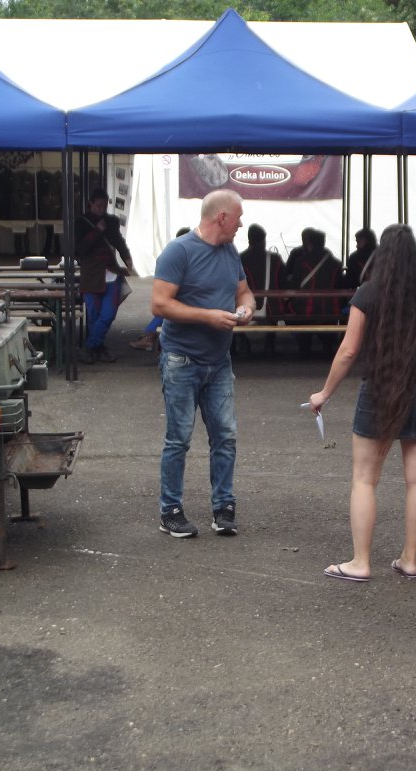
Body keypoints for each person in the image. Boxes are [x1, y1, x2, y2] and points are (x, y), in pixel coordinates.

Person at [309, 224, 416, 582]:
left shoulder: (367, 294)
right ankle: (409, 560)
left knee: (365, 479)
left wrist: (325, 393)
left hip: (380, 389)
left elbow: (349, 351)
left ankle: (361, 562)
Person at [151, 190, 255, 538]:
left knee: (225, 436)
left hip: (219, 361)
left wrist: (246, 308)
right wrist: (208, 316)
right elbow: (159, 304)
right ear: (222, 217)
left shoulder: (230, 252)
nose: (241, 224)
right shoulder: (178, 252)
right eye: (238, 217)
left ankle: (223, 507)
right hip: (181, 360)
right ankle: (170, 511)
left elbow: (244, 292)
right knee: (178, 439)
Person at [76, 187, 135, 364]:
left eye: (104, 206)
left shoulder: (111, 221)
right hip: (90, 275)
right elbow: (80, 249)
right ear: (91, 204)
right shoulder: (80, 223)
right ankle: (99, 349)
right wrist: (97, 231)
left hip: (111, 273)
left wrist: (126, 257)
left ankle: (89, 347)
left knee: (108, 315)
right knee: (94, 316)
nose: (102, 209)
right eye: (99, 205)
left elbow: (118, 241)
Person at [131, 227, 191, 352]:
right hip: (185, 295)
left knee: (165, 310)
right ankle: (150, 335)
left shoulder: (180, 254)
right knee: (165, 309)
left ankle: (150, 336)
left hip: (189, 297)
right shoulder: (186, 254)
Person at [238, 223, 285, 354]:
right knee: (275, 304)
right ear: (264, 240)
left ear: (249, 240)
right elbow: (284, 283)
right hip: (272, 307)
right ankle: (270, 341)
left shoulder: (240, 259)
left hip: (244, 306)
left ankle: (241, 339)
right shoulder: (275, 259)